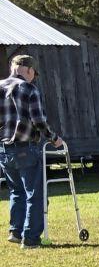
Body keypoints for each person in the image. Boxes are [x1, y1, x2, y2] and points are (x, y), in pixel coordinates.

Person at [1, 55, 66, 247]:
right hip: (25, 146)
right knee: (35, 194)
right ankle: (30, 238)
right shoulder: (28, 88)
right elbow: (38, 120)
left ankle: (16, 230)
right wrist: (54, 138)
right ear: (28, 70)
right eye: (33, 74)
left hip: (4, 149)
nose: (33, 78)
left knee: (16, 191)